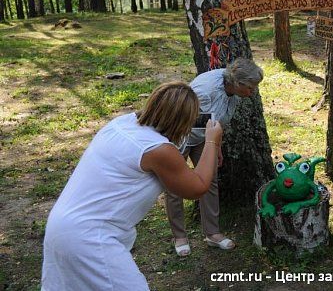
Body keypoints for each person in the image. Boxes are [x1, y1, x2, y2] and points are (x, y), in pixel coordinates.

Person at [42, 82, 223, 290]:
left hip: (61, 225)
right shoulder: (158, 149)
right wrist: (212, 142)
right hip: (90, 238)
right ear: (182, 122)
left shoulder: (121, 123)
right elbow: (197, 188)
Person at [165, 58, 264, 256]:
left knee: (209, 181)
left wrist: (215, 147)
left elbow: (218, 123)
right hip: (179, 135)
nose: (253, 92)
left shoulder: (234, 93)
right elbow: (183, 121)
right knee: (174, 185)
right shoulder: (205, 91)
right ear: (238, 83)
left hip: (204, 136)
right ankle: (180, 236)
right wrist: (177, 151)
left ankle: (212, 233)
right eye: (251, 88)